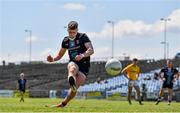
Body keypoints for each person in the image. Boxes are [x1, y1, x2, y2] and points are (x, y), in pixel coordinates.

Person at [47, 21, 94, 108]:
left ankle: (64, 103)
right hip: (74, 62)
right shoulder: (65, 40)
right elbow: (60, 55)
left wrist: (82, 55)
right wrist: (52, 59)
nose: (72, 34)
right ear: (67, 30)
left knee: (74, 89)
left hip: (84, 66)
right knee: (72, 68)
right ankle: (71, 79)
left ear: (77, 30)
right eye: (70, 32)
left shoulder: (83, 37)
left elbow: (91, 50)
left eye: (74, 32)